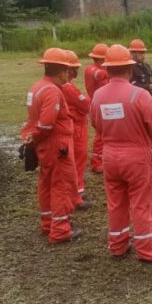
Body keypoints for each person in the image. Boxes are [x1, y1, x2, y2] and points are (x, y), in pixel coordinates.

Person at [90, 44, 152, 263]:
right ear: (129, 69)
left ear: (107, 69)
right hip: (136, 156)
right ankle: (148, 250)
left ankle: (117, 245)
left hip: (110, 155)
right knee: (142, 202)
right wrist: (149, 143)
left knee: (116, 202)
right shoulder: (140, 95)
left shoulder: (98, 96)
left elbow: (96, 125)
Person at [21, 48, 82, 244]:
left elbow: (32, 121)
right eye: (68, 70)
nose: (69, 74)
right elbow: (46, 124)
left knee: (47, 183)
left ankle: (48, 222)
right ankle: (61, 230)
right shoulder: (52, 91)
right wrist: (36, 137)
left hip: (46, 146)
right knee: (62, 185)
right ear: (62, 70)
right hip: (57, 145)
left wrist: (30, 139)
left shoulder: (36, 87)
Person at [61, 50, 92, 208]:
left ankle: (76, 191)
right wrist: (84, 100)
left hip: (75, 126)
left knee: (76, 161)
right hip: (76, 128)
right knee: (77, 161)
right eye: (75, 68)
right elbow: (86, 103)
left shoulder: (66, 86)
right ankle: (76, 195)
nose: (77, 71)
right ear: (69, 70)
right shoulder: (67, 87)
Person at [85, 43, 109, 173]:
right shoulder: (92, 69)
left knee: (106, 134)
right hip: (97, 105)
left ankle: (102, 160)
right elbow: (99, 75)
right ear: (100, 59)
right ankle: (96, 163)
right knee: (100, 135)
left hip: (104, 104)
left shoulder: (100, 69)